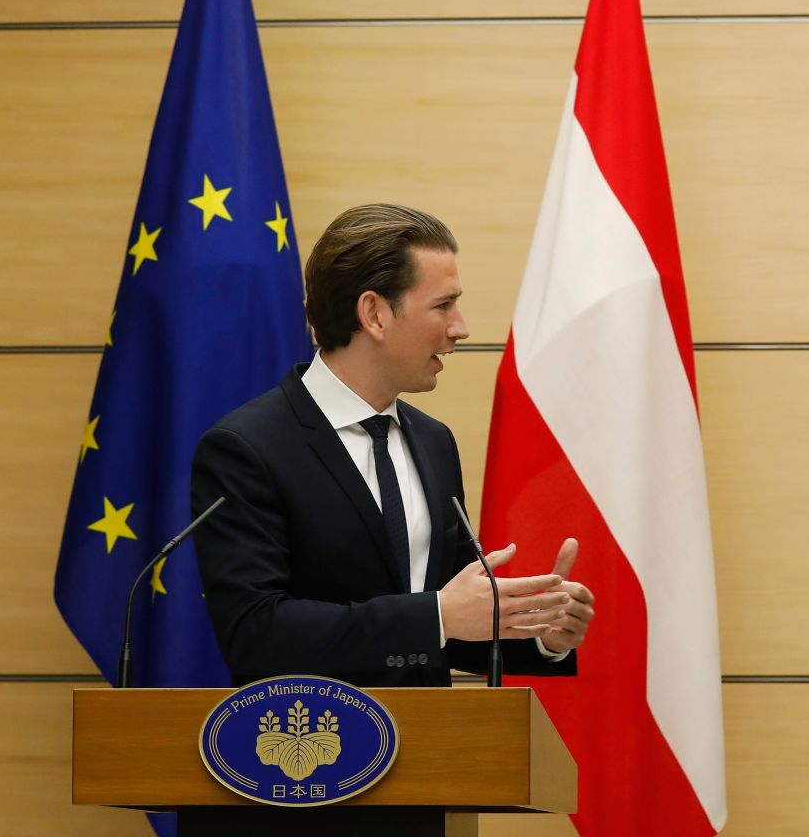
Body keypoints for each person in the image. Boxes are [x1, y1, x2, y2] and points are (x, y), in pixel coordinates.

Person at [191, 203, 594, 686]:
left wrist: (541, 634)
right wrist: (437, 616)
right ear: (375, 314)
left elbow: (450, 622)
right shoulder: (247, 447)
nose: (460, 327)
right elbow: (254, 632)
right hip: (308, 744)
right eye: (443, 305)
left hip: (428, 746)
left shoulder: (432, 441)